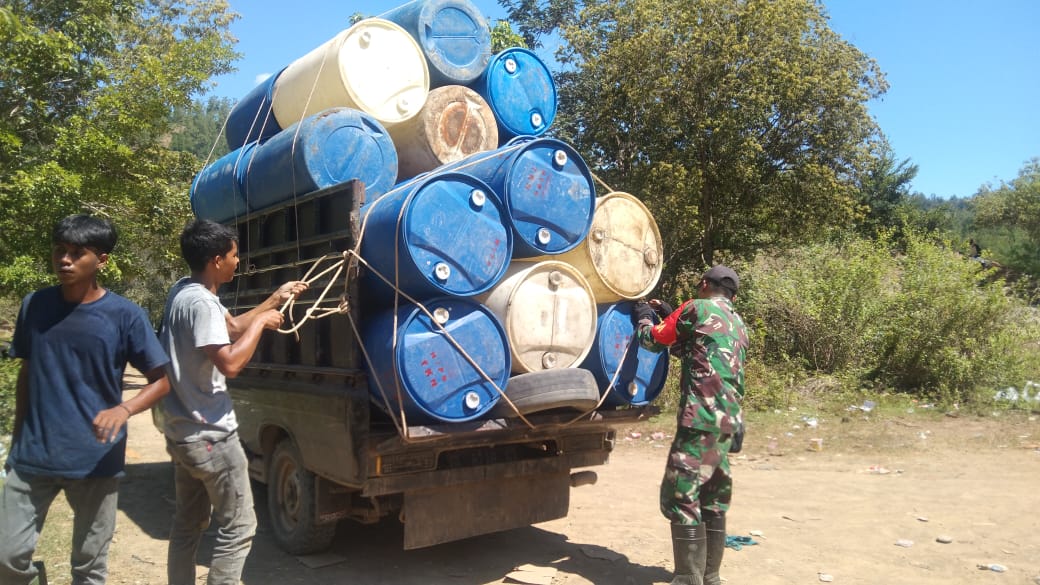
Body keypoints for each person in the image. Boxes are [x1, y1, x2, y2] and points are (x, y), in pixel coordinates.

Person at [0, 214, 170, 585]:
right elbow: (27, 375)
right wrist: (16, 444)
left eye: (77, 253)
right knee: (7, 558)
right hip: (33, 457)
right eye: (60, 251)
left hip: (96, 460)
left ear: (102, 260)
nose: (65, 259)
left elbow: (161, 381)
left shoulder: (125, 315)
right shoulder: (35, 306)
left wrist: (124, 409)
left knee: (89, 567)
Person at [157, 219, 307, 585]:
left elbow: (232, 329)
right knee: (239, 528)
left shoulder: (185, 291)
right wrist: (263, 325)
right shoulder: (202, 303)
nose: (238, 262)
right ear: (215, 259)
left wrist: (275, 298)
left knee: (188, 524)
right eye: (234, 255)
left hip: (184, 434)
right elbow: (231, 362)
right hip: (211, 437)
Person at [632, 265, 749, 585]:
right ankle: (710, 577)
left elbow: (654, 340)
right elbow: (692, 349)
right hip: (728, 422)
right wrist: (671, 314)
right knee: (712, 497)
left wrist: (644, 316)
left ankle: (687, 578)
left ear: (702, 285)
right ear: (732, 295)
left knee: (681, 496)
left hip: (699, 419)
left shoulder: (696, 307)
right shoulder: (738, 322)